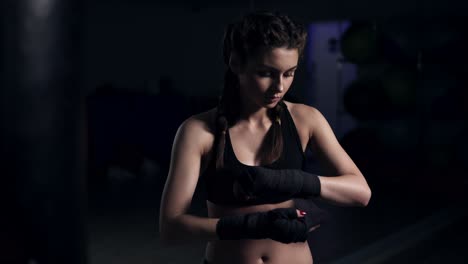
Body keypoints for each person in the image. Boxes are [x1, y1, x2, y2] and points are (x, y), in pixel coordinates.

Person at [159, 11, 372, 264]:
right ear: (236, 63)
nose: (279, 87)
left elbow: (361, 193)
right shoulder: (198, 131)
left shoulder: (306, 120)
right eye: (266, 73)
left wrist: (296, 182)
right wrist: (252, 226)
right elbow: (171, 229)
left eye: (289, 73)